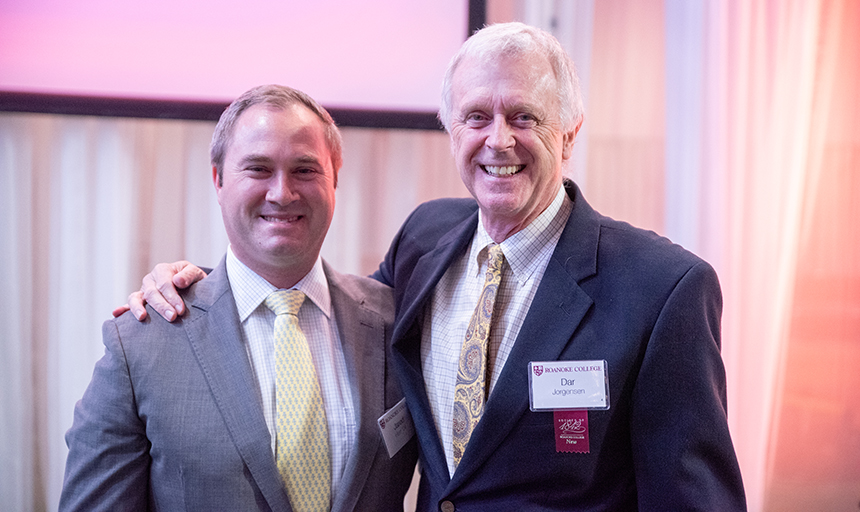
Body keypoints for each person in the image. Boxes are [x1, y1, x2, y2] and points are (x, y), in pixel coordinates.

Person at [124, 23, 746, 511]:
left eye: (524, 116)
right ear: (450, 129)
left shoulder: (662, 288)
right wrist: (203, 286)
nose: (497, 140)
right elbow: (335, 318)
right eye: (476, 117)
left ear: (569, 133)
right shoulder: (426, 240)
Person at [61, 85, 417, 511]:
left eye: (305, 170)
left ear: (335, 179)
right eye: (259, 169)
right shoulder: (139, 344)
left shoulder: (395, 325)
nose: (283, 193)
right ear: (218, 179)